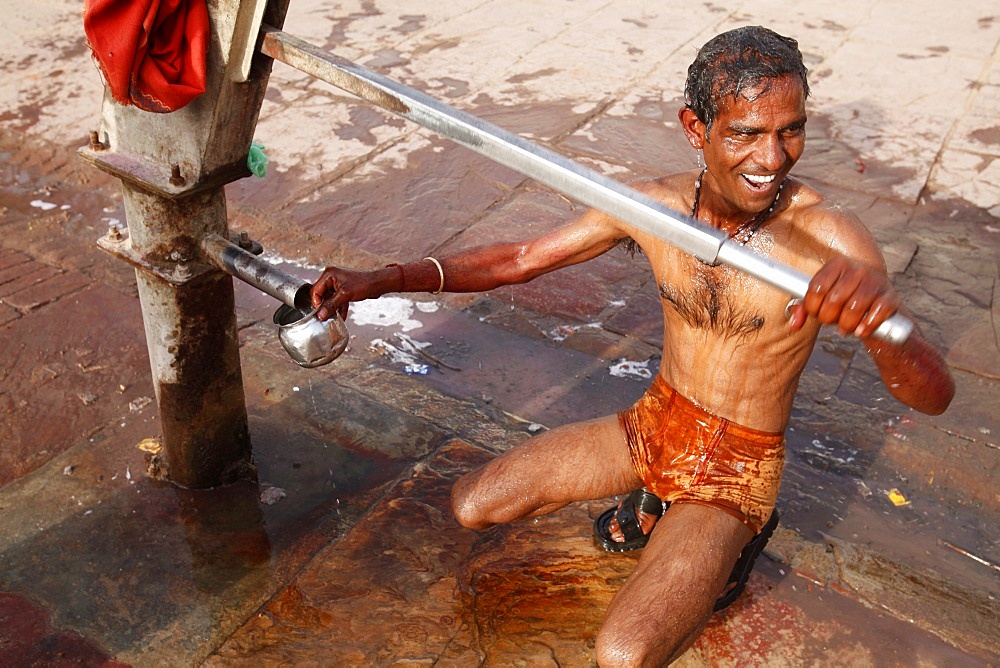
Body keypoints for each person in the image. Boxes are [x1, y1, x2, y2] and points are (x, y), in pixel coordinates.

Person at [310, 26, 955, 666]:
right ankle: (654, 495)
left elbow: (933, 395)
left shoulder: (831, 239)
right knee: (472, 503)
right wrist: (382, 281)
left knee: (623, 653)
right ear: (695, 128)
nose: (773, 158)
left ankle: (738, 540)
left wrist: (881, 322)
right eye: (746, 134)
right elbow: (521, 258)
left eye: (791, 130)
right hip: (656, 422)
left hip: (738, 466)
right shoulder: (656, 207)